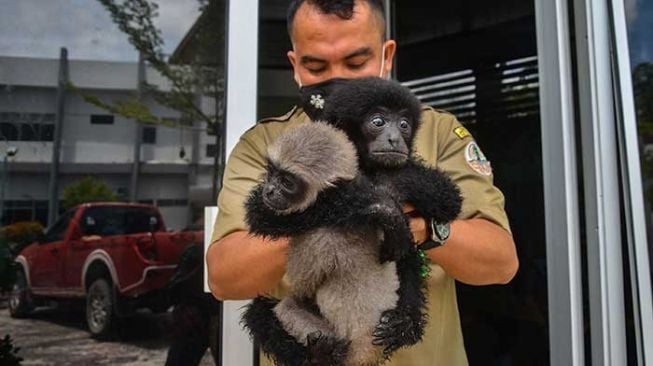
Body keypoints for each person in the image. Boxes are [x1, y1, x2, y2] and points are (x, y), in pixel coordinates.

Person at [206, 0, 519, 364]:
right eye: (316, 65)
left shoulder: (434, 132)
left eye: (356, 63)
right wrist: (336, 209)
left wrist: (419, 227)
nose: (338, 78)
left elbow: (500, 263)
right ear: (295, 66)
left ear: (387, 57)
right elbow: (226, 278)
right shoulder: (267, 145)